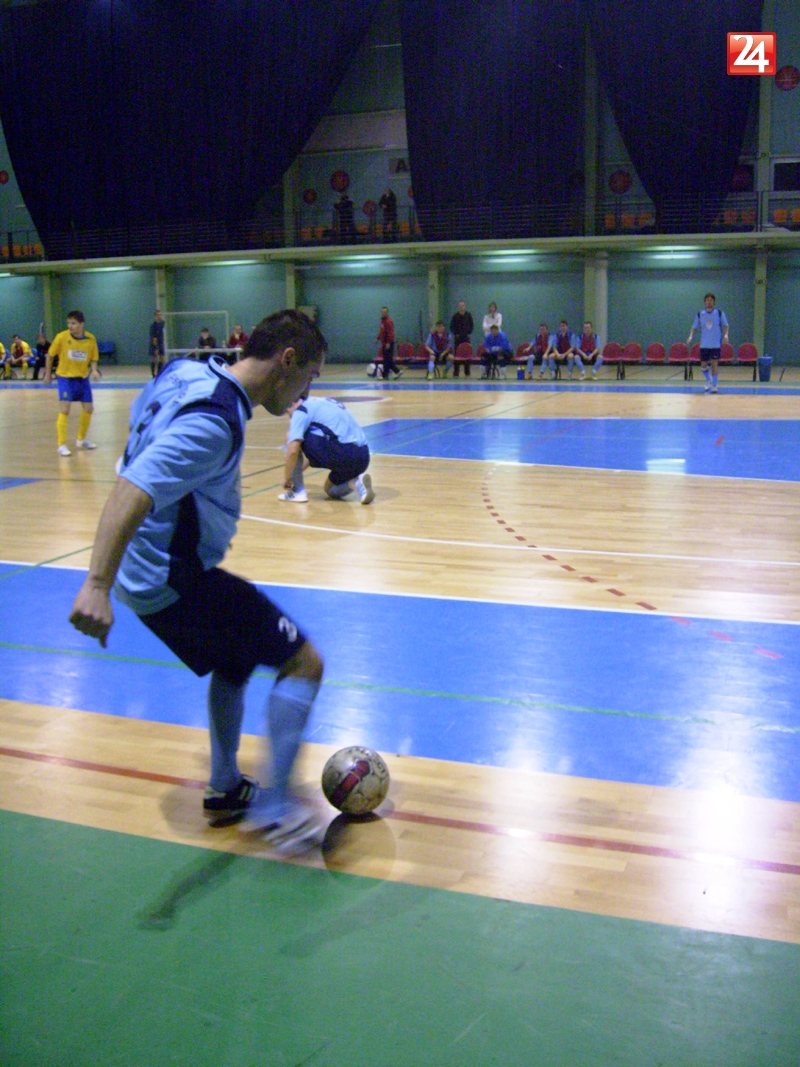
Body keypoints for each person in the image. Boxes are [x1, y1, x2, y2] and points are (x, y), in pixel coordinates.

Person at [68, 309, 329, 856]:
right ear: (287, 361)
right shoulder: (215, 422)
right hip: (170, 578)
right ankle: (277, 811)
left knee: (235, 659)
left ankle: (226, 787)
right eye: (309, 377)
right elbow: (133, 488)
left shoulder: (185, 371)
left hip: (151, 570)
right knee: (304, 662)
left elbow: (139, 437)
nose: (306, 393)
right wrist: (95, 583)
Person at [280, 394, 375, 505]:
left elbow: (293, 451)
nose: (290, 417)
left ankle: (298, 492)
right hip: (363, 455)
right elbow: (312, 455)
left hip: (343, 452)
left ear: (291, 403)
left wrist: (287, 477)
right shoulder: (322, 401)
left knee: (292, 437)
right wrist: (295, 473)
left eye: (288, 413)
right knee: (330, 490)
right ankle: (357, 483)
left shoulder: (301, 410)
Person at [44, 310, 100, 456]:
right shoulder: (61, 337)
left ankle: (81, 440)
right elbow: (50, 356)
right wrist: (48, 373)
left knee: (88, 408)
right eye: (68, 323)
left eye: (74, 323)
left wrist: (94, 370)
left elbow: (93, 357)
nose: (70, 326)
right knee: (65, 409)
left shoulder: (90, 339)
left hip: (82, 378)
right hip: (65, 378)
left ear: (82, 324)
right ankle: (61, 444)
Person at [688, 292, 729, 394]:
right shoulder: (700, 314)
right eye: (707, 300)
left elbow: (726, 325)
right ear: (704, 302)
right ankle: (709, 380)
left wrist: (726, 335)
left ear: (714, 302)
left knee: (714, 365)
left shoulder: (719, 313)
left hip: (715, 344)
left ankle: (714, 385)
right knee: (703, 365)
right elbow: (694, 327)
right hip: (704, 344)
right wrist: (691, 336)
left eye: (711, 300)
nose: (709, 302)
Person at [376, 305, 402, 380]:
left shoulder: (388, 321)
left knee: (387, 360)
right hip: (384, 343)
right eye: (382, 312)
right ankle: (397, 371)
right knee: (388, 360)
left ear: (387, 313)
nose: (383, 313)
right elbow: (381, 331)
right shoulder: (382, 321)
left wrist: (388, 342)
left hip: (388, 344)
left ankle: (385, 375)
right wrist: (377, 338)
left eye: (384, 312)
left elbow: (391, 333)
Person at [450, 299, 474, 378]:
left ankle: (467, 372)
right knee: (457, 355)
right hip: (458, 338)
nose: (461, 307)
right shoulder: (455, 316)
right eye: (460, 306)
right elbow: (452, 327)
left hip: (466, 338)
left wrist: (469, 333)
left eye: (463, 306)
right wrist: (455, 334)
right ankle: (456, 372)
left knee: (467, 355)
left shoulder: (468, 315)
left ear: (465, 306)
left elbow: (471, 325)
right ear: (458, 307)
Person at [149, 310, 166, 378]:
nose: (159, 316)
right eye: (157, 315)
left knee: (162, 358)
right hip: (155, 344)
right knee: (154, 358)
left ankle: (159, 372)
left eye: (160, 315)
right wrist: (156, 347)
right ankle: (153, 374)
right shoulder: (153, 326)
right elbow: (154, 338)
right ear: (155, 316)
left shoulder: (162, 324)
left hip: (161, 343)